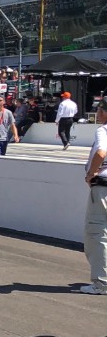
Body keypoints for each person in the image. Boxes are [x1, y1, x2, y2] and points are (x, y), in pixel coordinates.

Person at [78, 100, 107, 295]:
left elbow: (101, 151)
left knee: (96, 233)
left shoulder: (102, 131)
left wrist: (91, 174)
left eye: (98, 109)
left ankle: (101, 283)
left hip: (103, 188)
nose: (96, 112)